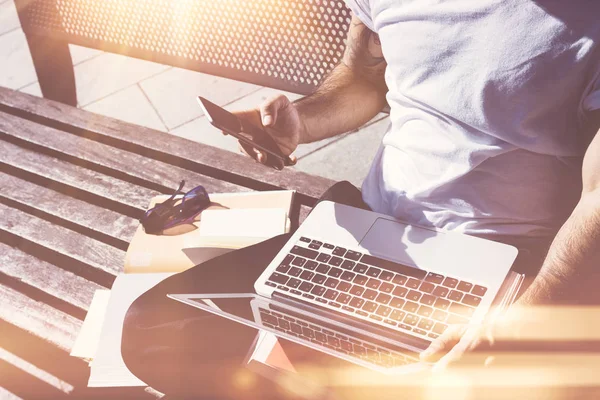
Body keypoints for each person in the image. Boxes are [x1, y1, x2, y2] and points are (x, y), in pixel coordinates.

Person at [122, 1, 600, 397]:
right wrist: (302, 122)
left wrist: (525, 319)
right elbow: (364, 79)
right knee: (153, 330)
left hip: (505, 263)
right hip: (368, 226)